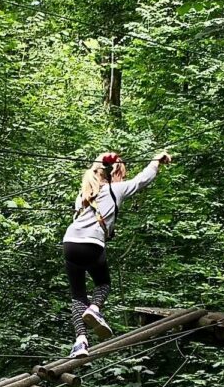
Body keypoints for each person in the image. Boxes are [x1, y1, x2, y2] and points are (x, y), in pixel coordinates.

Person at [62, 150, 172, 358]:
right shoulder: (116, 189)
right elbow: (143, 179)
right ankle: (94, 309)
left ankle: (80, 342)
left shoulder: (83, 194)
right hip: (92, 244)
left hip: (70, 243)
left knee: (77, 294)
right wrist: (156, 160)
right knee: (103, 284)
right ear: (113, 173)